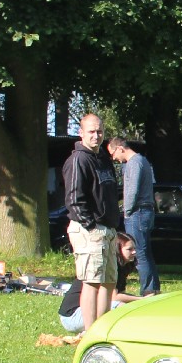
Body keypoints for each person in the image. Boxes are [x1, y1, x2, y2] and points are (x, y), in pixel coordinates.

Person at [61, 113, 122, 325]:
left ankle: (101, 327)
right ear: (81, 133)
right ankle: (90, 331)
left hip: (108, 229)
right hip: (89, 230)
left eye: (100, 131)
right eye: (91, 131)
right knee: (91, 281)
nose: (96, 136)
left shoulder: (103, 159)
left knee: (108, 281)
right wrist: (91, 226)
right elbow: (74, 199)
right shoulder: (78, 160)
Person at [56, 234, 140, 338]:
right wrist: (141, 299)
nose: (134, 252)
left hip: (83, 313)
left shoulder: (121, 267)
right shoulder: (109, 267)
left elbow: (120, 294)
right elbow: (114, 297)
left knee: (125, 307)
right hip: (71, 317)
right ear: (118, 249)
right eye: (129, 249)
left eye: (134, 249)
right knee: (121, 307)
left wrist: (140, 300)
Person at [107, 134, 159, 295]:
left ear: (120, 148)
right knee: (146, 253)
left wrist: (127, 211)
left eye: (113, 153)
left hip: (138, 212)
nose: (114, 158)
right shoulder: (143, 160)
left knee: (139, 254)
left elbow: (132, 191)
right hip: (146, 211)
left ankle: (148, 291)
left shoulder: (134, 163)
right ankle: (153, 288)